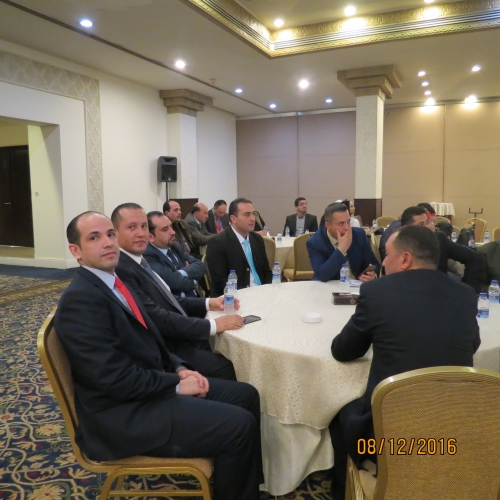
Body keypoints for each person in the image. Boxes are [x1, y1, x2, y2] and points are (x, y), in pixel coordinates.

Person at [55, 211, 263, 500]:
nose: (107, 242)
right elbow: (113, 379)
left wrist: (178, 368)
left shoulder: (114, 282)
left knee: (246, 395)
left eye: (110, 234)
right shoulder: (81, 301)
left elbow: (151, 339)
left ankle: (245, 482)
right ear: (75, 250)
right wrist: (175, 385)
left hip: (146, 389)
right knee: (238, 426)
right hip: (123, 415)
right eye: (94, 237)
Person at [329, 225, 480, 500]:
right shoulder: (465, 294)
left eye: (387, 255)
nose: (383, 262)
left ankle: (346, 490)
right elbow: (473, 345)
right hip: (454, 430)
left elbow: (343, 350)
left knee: (339, 416)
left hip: (393, 441)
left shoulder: (377, 292)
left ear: (405, 259)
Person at [112, 203, 241, 380]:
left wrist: (208, 302)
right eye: (132, 227)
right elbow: (157, 316)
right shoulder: (123, 268)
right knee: (234, 367)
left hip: (181, 330)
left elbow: (171, 298)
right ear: (115, 233)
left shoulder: (140, 261)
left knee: (231, 348)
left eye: (143, 226)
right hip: (170, 347)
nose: (141, 233)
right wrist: (212, 325)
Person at [401, 205, 482, 292]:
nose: (427, 227)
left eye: (427, 222)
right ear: (406, 228)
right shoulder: (398, 244)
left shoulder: (439, 239)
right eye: (421, 224)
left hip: (440, 291)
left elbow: (473, 257)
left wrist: (469, 290)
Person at [206, 197, 272, 297]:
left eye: (253, 214)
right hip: (236, 296)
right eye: (247, 214)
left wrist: (269, 292)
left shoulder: (257, 239)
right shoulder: (218, 242)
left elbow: (266, 271)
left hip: (261, 293)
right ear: (233, 219)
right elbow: (220, 281)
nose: (252, 218)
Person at [307, 202, 379, 282]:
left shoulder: (358, 235)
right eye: (341, 223)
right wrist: (341, 250)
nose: (347, 227)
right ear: (328, 225)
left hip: (356, 285)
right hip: (328, 286)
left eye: (348, 221)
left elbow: (374, 263)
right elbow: (322, 275)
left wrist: (373, 275)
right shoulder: (315, 242)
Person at [144, 211, 206, 298]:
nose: (173, 232)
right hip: (178, 304)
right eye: (165, 229)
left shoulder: (175, 246)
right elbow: (174, 283)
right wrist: (193, 279)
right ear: (151, 237)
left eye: (171, 226)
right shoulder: (147, 255)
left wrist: (180, 272)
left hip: (194, 299)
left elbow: (200, 266)